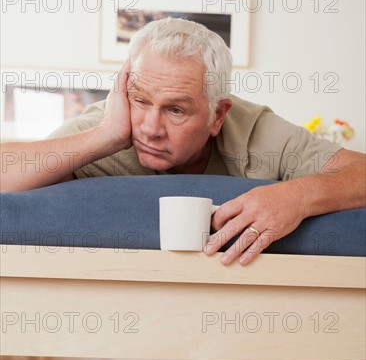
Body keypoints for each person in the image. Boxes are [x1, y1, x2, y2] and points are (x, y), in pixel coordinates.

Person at [1, 17, 365, 267]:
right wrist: (105, 136)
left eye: (175, 110)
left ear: (217, 115)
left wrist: (295, 197)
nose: (149, 128)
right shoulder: (109, 123)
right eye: (140, 99)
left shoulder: (256, 131)